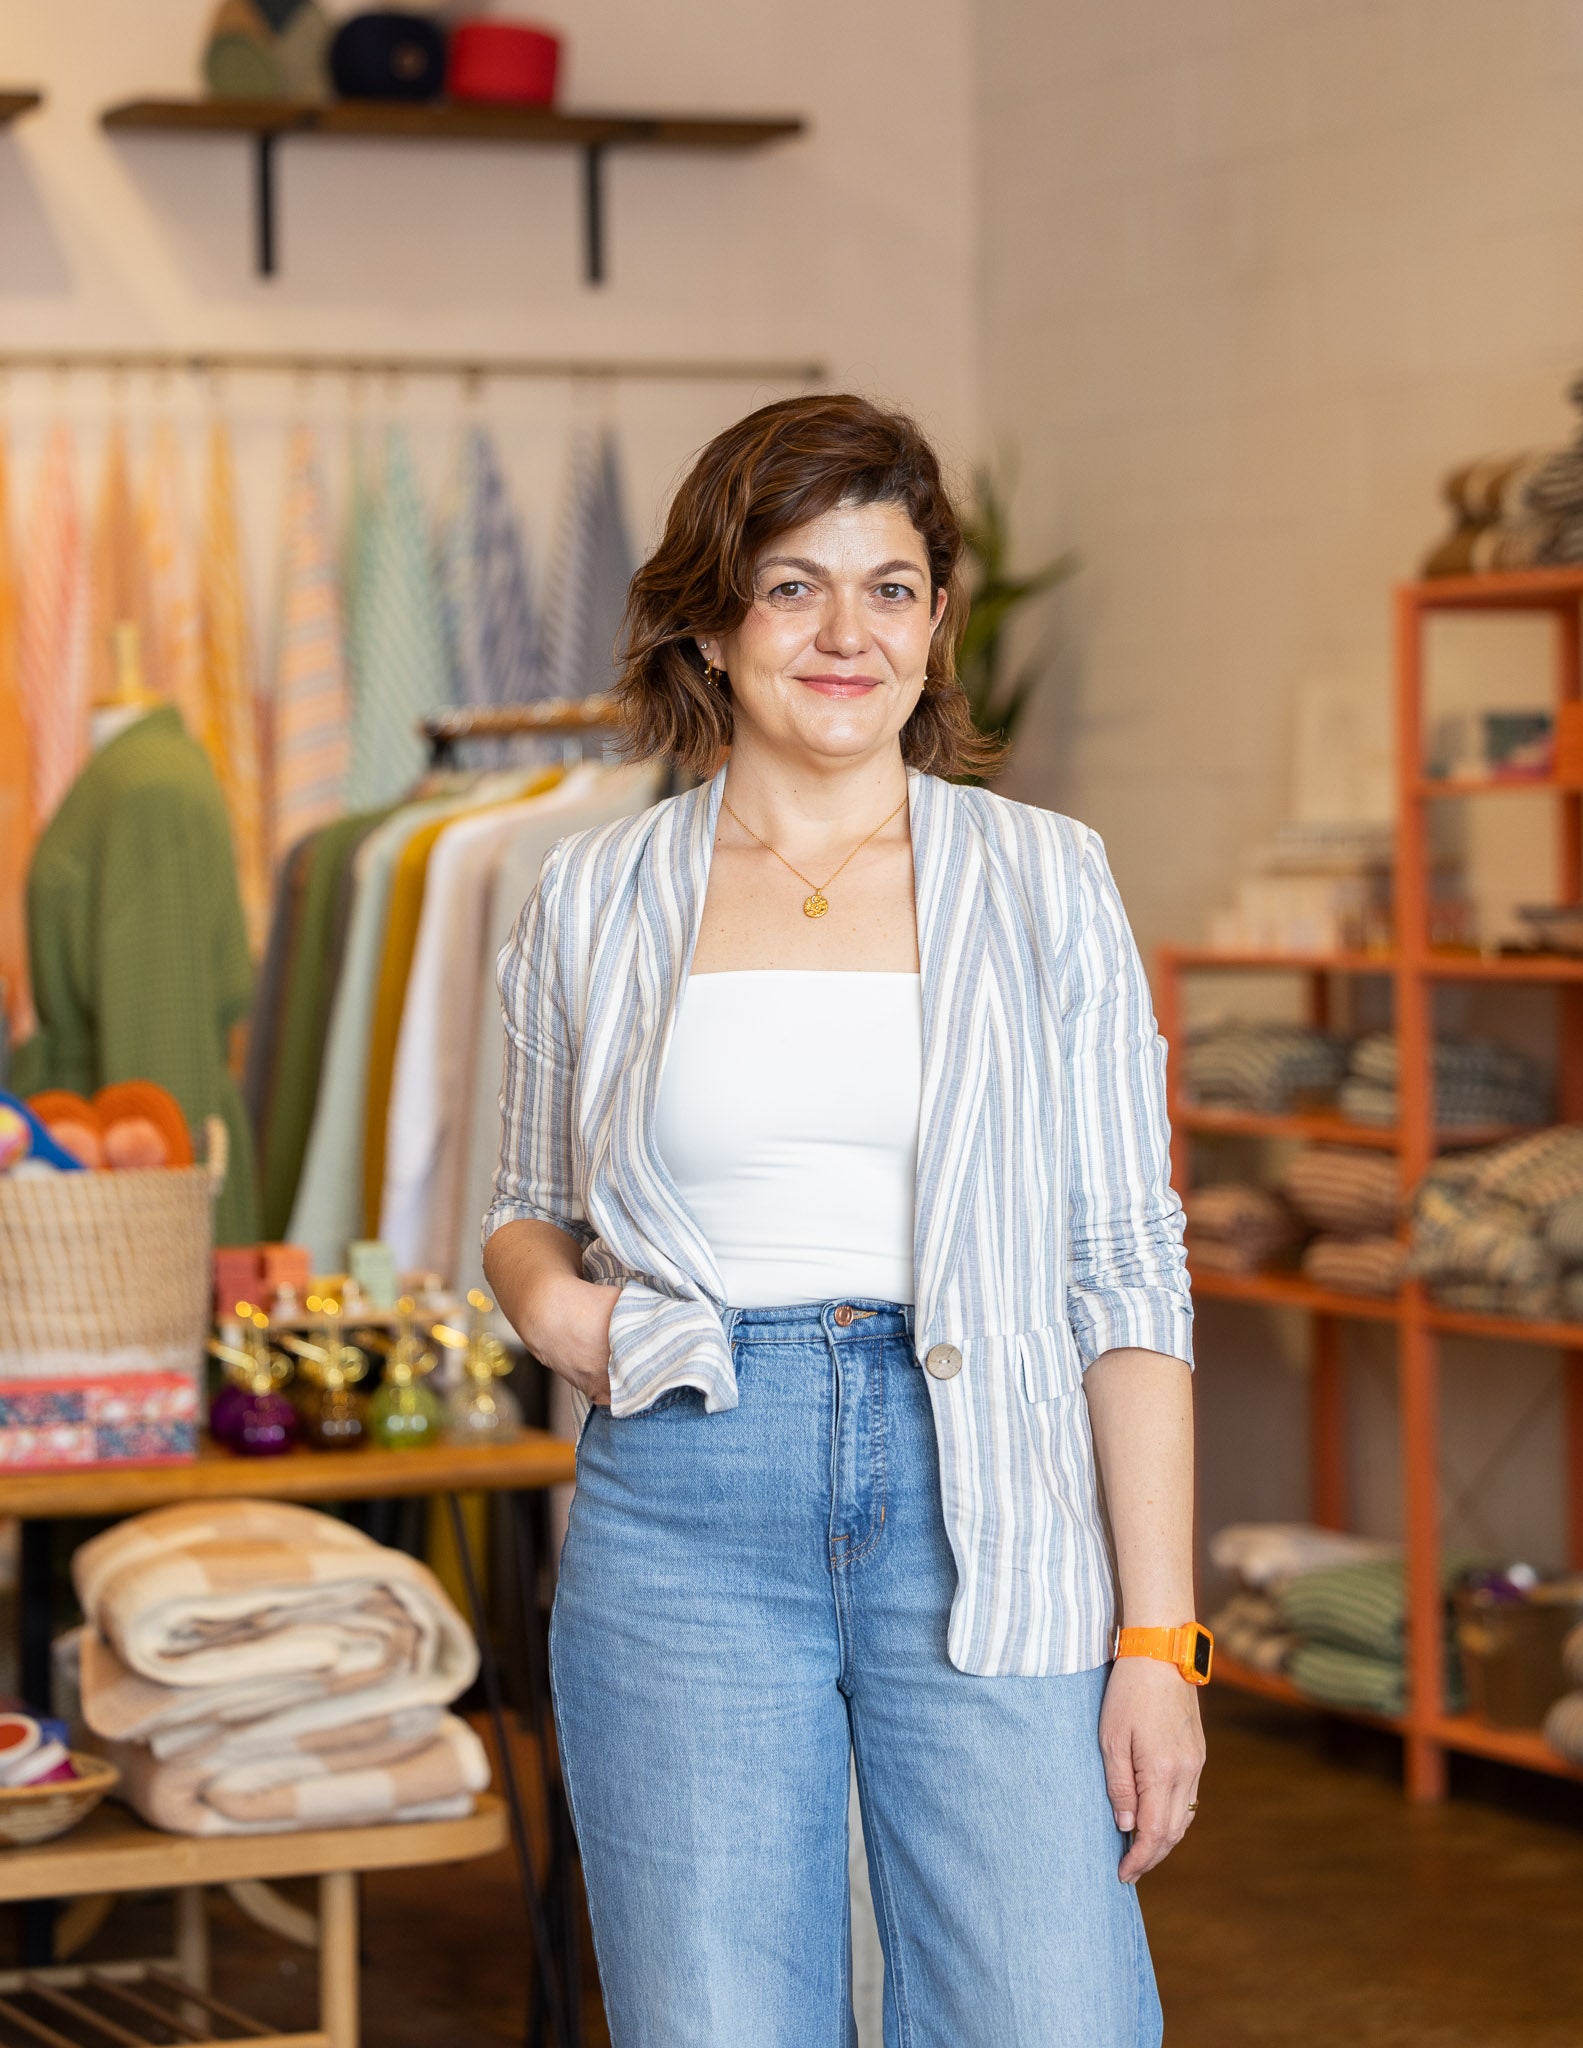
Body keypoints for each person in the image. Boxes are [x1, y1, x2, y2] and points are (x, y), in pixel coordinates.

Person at [483, 393, 1205, 2048]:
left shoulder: (1046, 883)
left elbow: (1128, 1268)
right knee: (719, 2021)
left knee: (1050, 2015)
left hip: (995, 1503)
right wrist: (557, 1312)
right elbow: (525, 1205)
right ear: (715, 617)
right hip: (684, 1496)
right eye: (794, 583)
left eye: (891, 587)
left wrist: (1161, 1638)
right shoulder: (595, 896)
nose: (846, 631)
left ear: (939, 624)